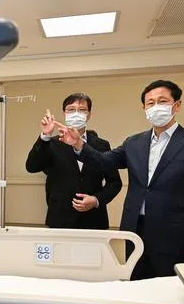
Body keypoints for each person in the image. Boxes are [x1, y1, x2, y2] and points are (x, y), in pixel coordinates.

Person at [58, 81, 184, 279]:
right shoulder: (134, 143)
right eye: (150, 103)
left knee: (168, 287)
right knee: (135, 283)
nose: (156, 107)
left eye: (162, 101)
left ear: (177, 105)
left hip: (172, 234)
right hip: (134, 230)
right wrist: (79, 145)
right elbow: (103, 161)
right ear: (144, 108)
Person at [26, 93, 122, 230]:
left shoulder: (101, 145)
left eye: (82, 110)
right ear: (64, 114)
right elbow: (31, 166)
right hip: (60, 218)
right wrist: (45, 136)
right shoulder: (52, 143)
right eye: (71, 110)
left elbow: (114, 182)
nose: (76, 113)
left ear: (89, 115)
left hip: (94, 219)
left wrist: (96, 200)